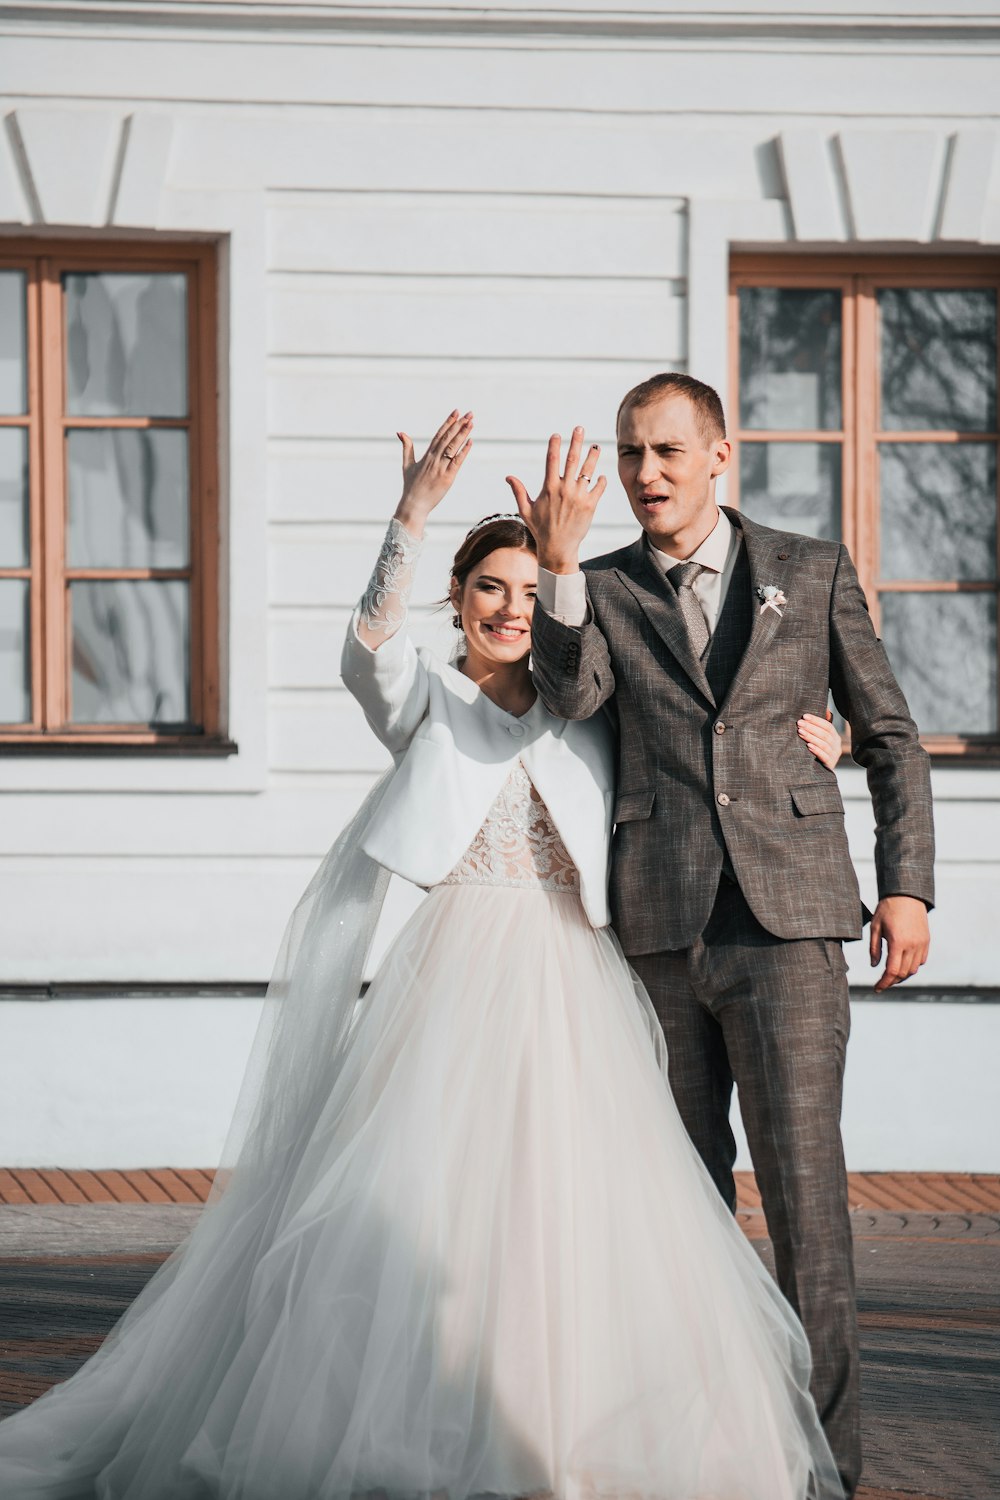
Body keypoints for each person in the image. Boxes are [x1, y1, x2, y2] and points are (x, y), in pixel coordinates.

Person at [0, 410, 847, 1500]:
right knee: (427, 1198)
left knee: (579, 1214)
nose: (508, 607)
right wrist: (408, 516)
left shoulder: (587, 710)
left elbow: (705, 734)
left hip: (577, 979)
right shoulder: (426, 706)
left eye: (527, 590)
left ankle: (578, 1427)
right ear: (460, 603)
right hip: (453, 980)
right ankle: (418, 1425)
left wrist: (811, 736)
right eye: (488, 589)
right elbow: (366, 649)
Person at [509, 375, 936, 1500]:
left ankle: (825, 1472)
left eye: (663, 451)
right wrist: (556, 575)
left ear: (717, 455)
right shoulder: (597, 588)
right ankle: (698, 1457)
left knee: (806, 1205)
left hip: (791, 926)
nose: (643, 473)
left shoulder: (811, 569)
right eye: (628, 454)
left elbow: (889, 736)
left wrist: (908, 890)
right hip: (657, 926)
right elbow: (569, 699)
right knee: (680, 1210)